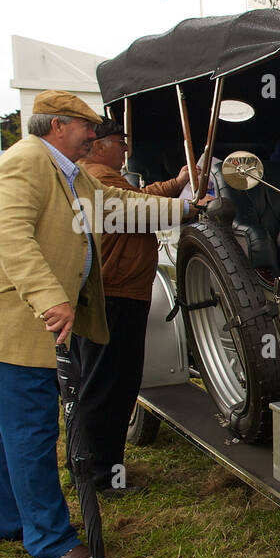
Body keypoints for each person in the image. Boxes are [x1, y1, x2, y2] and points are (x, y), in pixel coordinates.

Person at [0, 91, 193, 558]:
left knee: (12, 427)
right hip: (17, 322)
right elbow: (10, 237)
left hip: (34, 319)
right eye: (87, 127)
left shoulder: (69, 172)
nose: (94, 136)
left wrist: (186, 209)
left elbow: (119, 206)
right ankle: (51, 540)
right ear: (59, 125)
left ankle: (8, 523)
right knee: (32, 431)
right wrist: (51, 298)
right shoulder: (24, 164)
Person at [75, 119, 189, 498]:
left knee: (100, 382)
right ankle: (102, 477)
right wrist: (189, 208)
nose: (126, 148)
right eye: (121, 142)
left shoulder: (101, 177)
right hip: (116, 296)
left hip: (115, 293)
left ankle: (89, 465)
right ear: (102, 145)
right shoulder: (98, 180)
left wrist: (177, 183)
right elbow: (138, 208)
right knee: (110, 386)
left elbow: (138, 196)